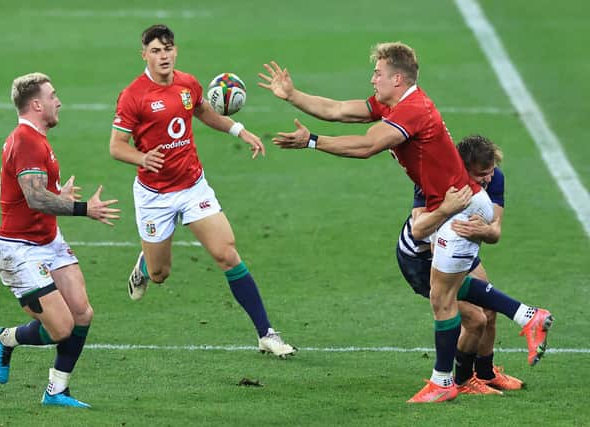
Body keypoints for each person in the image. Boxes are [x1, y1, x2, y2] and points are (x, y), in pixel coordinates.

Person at [259, 43, 552, 402]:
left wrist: (312, 142)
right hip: (456, 205)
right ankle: (522, 318)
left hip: (459, 209)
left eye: (378, 74)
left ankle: (446, 381)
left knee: (443, 297)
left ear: (397, 79)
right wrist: (292, 95)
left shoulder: (413, 110)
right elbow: (338, 110)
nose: (373, 79)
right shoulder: (395, 103)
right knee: (449, 293)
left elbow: (367, 146)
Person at [109, 24, 295, 358]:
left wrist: (241, 131)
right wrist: (142, 157)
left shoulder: (188, 83)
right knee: (160, 273)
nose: (163, 56)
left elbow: (205, 113)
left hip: (193, 186)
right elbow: (116, 147)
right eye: (156, 50)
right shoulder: (133, 95)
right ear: (144, 55)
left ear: (175, 51)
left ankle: (266, 332)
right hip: (154, 196)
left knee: (227, 253)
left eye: (168, 48)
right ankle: (143, 265)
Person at [0, 72, 121, 408]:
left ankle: (56, 391)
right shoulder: (27, 141)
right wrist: (82, 208)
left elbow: (36, 195)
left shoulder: (37, 139)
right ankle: (5, 339)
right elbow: (34, 199)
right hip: (20, 250)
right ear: (36, 104)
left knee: (82, 313)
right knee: (61, 328)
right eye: (52, 96)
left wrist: (57, 195)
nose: (58, 101)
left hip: (48, 240)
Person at [398, 135, 551, 396]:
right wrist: (448, 209)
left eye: (490, 172)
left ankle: (486, 373)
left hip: (461, 247)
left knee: (488, 315)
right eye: (481, 175)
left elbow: (495, 233)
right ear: (462, 170)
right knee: (476, 319)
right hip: (423, 258)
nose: (488, 180)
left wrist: (483, 230)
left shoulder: (495, 179)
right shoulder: (434, 178)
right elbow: (419, 228)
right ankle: (463, 379)